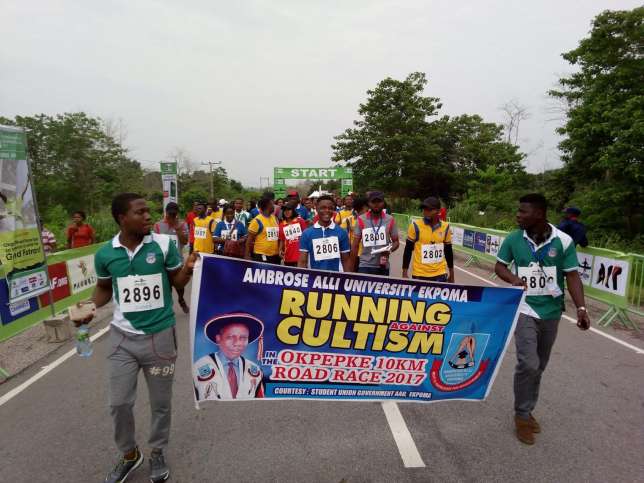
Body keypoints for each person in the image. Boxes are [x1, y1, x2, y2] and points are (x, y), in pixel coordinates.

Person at [73, 192, 196, 483]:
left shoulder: (164, 245)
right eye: (140, 212)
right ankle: (130, 455)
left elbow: (175, 280)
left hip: (160, 338)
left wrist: (188, 270)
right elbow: (104, 287)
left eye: (148, 211)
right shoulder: (105, 253)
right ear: (121, 218)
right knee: (118, 403)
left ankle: (157, 452)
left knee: (160, 403)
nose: (147, 216)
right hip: (122, 339)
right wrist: (90, 306)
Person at [494, 193, 590, 446]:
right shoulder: (515, 238)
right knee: (528, 363)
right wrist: (513, 279)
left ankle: (527, 407)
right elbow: (500, 266)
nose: (518, 215)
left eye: (523, 212)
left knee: (540, 365)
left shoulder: (564, 241)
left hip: (552, 311)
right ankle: (522, 415)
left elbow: (571, 276)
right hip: (524, 308)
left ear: (539, 213)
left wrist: (581, 307)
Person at [193, 313, 265, 401]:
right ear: (218, 338)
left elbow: (259, 402)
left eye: (243, 338)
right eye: (230, 337)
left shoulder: (255, 371)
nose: (237, 343)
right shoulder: (198, 367)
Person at [402, 197, 455, 282]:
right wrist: (404, 273)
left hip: (440, 274)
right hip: (419, 274)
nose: (425, 212)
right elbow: (408, 250)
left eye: (429, 210)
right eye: (424, 209)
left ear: (438, 211)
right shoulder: (415, 226)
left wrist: (452, 274)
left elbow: (448, 252)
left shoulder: (446, 227)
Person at [350, 191, 399, 276]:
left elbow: (396, 242)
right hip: (365, 265)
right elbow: (355, 245)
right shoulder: (361, 219)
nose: (376, 204)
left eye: (379, 201)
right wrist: (351, 268)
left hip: (383, 265)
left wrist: (389, 250)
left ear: (383, 203)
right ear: (368, 203)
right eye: (373, 202)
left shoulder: (390, 219)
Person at [153, 202, 190, 313]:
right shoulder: (158, 225)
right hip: (162, 262)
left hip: (177, 261)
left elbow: (185, 241)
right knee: (166, 286)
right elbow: (154, 244)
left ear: (177, 214)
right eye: (170, 214)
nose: (172, 217)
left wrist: (177, 229)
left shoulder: (182, 225)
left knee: (179, 286)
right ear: (166, 213)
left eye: (174, 215)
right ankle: (168, 308)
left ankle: (181, 299)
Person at [298, 195, 350, 272]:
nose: (327, 210)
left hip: (336, 279)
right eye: (323, 208)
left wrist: (347, 279)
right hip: (314, 279)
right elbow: (302, 261)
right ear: (317, 209)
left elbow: (345, 260)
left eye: (330, 208)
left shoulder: (342, 232)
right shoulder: (307, 233)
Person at [245, 197, 280, 264]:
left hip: (275, 256)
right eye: (272, 204)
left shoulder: (275, 218)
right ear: (267, 206)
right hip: (261, 255)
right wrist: (247, 256)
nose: (274, 206)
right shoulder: (256, 220)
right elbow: (249, 241)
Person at [279, 202, 308, 267]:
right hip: (288, 256)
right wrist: (280, 250)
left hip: (300, 256)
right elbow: (282, 239)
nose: (286, 212)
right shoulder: (281, 224)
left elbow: (306, 236)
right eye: (285, 210)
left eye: (289, 210)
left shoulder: (300, 221)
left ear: (293, 211)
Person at [343, 196, 368, 271]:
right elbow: (342, 235)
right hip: (354, 255)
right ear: (363, 207)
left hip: (368, 256)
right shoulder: (348, 220)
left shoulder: (371, 220)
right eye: (367, 208)